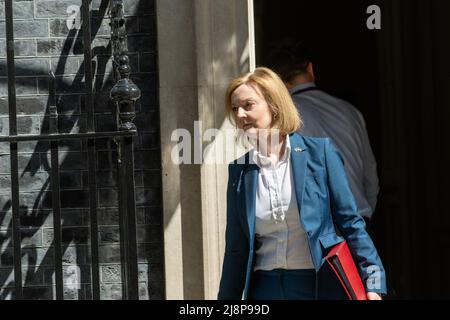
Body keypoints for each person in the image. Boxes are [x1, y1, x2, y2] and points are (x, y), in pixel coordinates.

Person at [217, 67, 386, 300]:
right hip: (264, 289)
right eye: (235, 108)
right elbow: (235, 249)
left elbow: (351, 223)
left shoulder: (321, 154)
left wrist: (373, 283)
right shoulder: (240, 170)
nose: (240, 115)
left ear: (273, 105)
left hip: (318, 284)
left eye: (248, 105)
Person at [266, 41, 379, 222]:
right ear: (310, 69)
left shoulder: (285, 118)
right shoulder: (351, 111)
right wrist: (363, 214)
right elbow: (370, 176)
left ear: (275, 82)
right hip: (359, 222)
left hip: (320, 229)